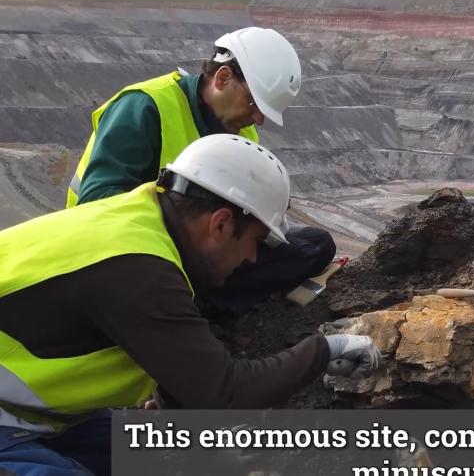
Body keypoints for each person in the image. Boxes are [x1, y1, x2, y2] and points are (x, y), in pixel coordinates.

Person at [0, 134, 382, 476]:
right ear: (220, 224)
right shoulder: (137, 269)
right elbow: (225, 394)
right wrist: (323, 349)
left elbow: (172, 362)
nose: (252, 259)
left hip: (47, 417)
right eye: (255, 241)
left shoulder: (145, 220)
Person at [65, 26, 334, 311]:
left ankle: (200, 302)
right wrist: (186, 228)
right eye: (254, 103)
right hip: (127, 251)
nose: (258, 119)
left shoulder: (243, 132)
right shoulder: (146, 106)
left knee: (315, 245)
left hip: (201, 252)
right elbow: (96, 203)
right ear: (223, 77)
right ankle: (197, 305)